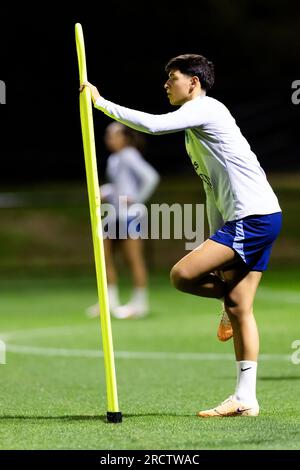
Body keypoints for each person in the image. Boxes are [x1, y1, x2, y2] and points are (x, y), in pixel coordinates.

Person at [80, 53, 282, 417]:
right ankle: (245, 398)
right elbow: (211, 189)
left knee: (182, 275)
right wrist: (215, 233)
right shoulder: (194, 132)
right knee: (240, 307)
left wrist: (101, 103)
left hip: (252, 217)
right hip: (257, 217)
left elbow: (154, 126)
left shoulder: (207, 109)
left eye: (172, 77)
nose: (166, 84)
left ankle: (225, 301)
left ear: (194, 82)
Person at [86, 122, 160, 320]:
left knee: (133, 258)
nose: (108, 139)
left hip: (130, 215)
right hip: (114, 213)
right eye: (108, 135)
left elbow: (151, 177)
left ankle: (140, 303)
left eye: (113, 135)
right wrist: (108, 191)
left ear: (124, 138)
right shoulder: (114, 158)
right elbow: (121, 185)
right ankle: (109, 301)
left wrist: (137, 197)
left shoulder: (129, 155)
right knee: (104, 255)